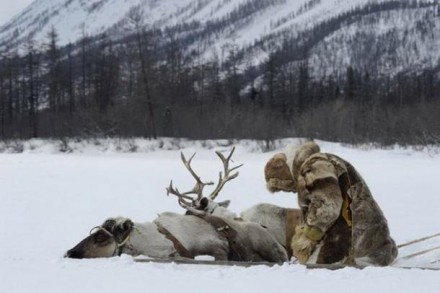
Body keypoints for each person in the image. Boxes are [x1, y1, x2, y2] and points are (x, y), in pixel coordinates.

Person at [264, 141, 397, 266]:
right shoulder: (322, 161)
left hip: (354, 240)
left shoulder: (313, 165)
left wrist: (307, 239)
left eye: (288, 187)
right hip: (368, 233)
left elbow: (328, 205)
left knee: (311, 269)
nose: (292, 191)